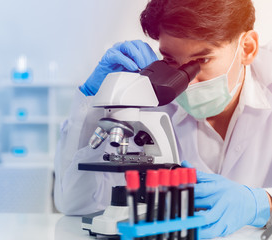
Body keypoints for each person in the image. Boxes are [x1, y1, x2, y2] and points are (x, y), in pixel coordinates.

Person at [54, 0, 272, 238]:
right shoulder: (149, 97)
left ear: (247, 48)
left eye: (201, 61)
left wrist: (263, 203)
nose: (184, 81)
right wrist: (92, 102)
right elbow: (73, 204)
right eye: (170, 60)